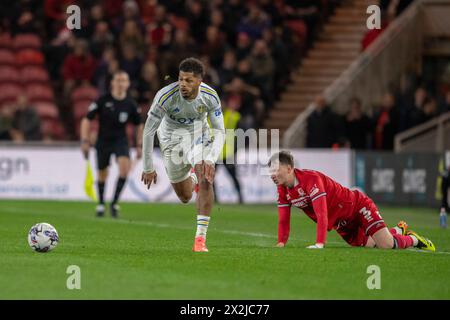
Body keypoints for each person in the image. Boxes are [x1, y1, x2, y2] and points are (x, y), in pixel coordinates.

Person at [268, 150, 435, 251]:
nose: (272, 175)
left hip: (356, 207)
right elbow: (283, 220)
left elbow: (322, 213)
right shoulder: (283, 190)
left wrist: (319, 244)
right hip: (342, 224)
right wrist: (281, 243)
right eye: (270, 171)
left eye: (276, 170)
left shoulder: (311, 179)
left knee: (386, 245)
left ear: (289, 168)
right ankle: (398, 230)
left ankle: (415, 239)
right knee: (370, 245)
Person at [141, 57, 225, 253]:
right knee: (185, 196)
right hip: (171, 140)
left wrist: (211, 159)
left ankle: (200, 239)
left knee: (206, 177)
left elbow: (220, 131)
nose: (183, 84)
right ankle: (193, 176)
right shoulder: (165, 96)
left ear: (199, 81)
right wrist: (148, 166)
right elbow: (148, 131)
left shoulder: (210, 96)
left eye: (188, 80)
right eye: (180, 79)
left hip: (199, 136)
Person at [80, 70, 143, 218]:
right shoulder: (102, 100)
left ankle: (114, 202)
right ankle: (101, 203)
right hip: (103, 140)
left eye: (124, 81)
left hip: (120, 140)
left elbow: (139, 124)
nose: (121, 83)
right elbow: (86, 119)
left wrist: (139, 144)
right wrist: (85, 140)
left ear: (127, 84)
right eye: (118, 80)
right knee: (102, 174)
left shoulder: (131, 104)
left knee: (124, 169)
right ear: (112, 83)